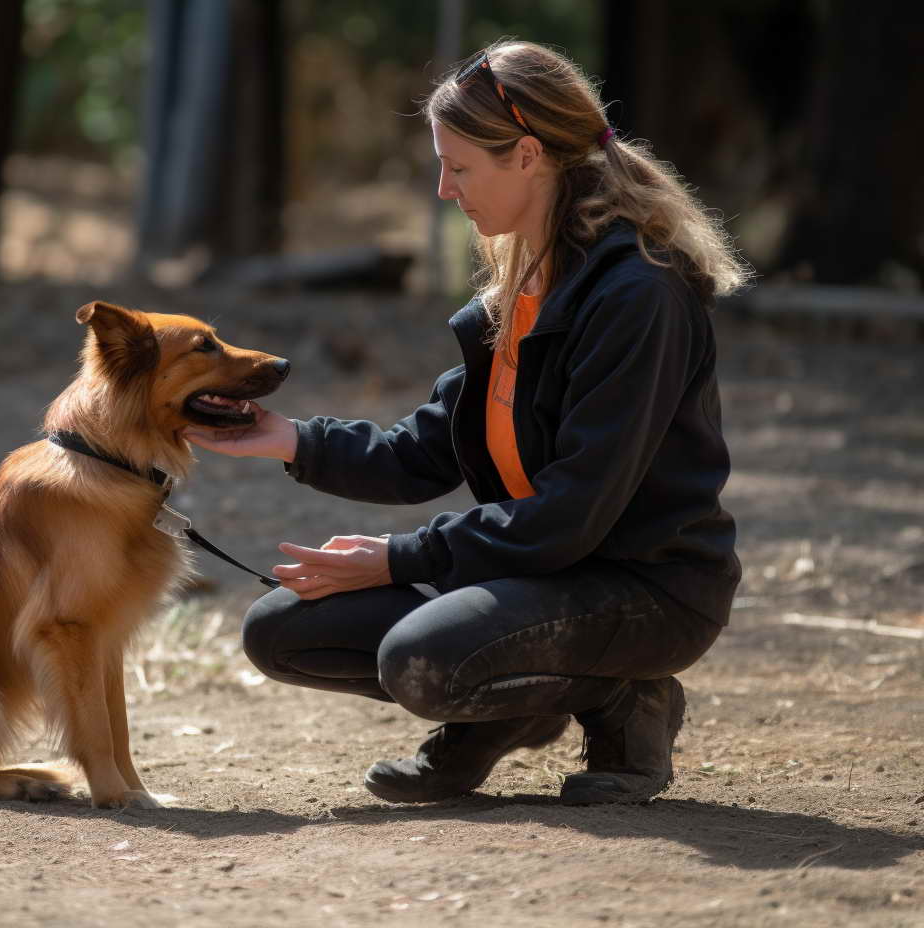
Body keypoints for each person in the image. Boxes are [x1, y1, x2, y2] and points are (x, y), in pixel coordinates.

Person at [184, 39, 749, 805]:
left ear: (527, 156)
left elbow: (572, 514)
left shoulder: (638, 295)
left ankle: (625, 698)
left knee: (422, 658)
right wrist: (286, 438)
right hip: (539, 574)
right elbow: (426, 451)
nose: (445, 190)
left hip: (649, 589)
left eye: (459, 168)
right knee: (281, 629)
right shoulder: (526, 284)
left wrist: (396, 559)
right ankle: (507, 701)